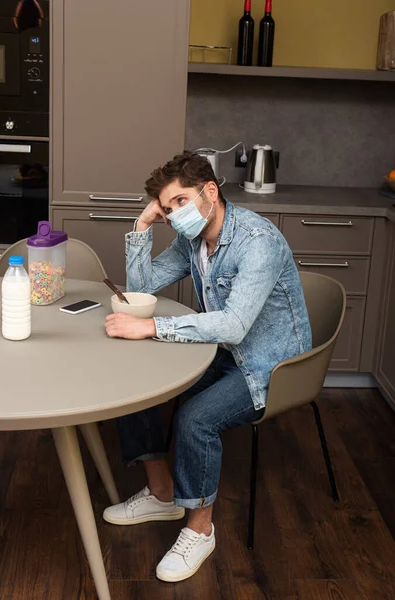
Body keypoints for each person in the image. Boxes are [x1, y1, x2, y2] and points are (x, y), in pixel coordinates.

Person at [103, 151, 312, 583]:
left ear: (210, 191)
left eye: (180, 201)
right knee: (137, 381)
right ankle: (164, 494)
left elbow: (234, 325)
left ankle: (200, 529)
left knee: (196, 419)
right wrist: (142, 226)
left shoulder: (257, 241)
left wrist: (152, 326)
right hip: (224, 352)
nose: (174, 214)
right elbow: (140, 287)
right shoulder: (193, 240)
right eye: (167, 208)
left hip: (271, 365)